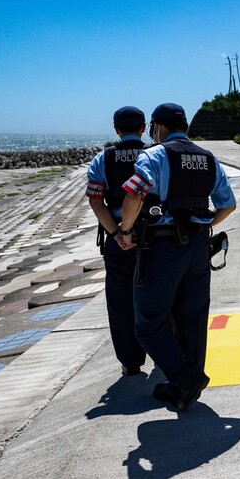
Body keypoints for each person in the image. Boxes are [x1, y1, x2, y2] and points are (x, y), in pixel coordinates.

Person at [118, 102, 236, 412]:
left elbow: (135, 192)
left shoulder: (155, 155)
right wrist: (203, 225)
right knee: (193, 319)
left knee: (148, 322)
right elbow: (228, 205)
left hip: (162, 247)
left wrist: (126, 229)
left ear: (157, 127)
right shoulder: (209, 159)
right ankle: (183, 390)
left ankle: (188, 377)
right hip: (198, 247)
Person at [84, 105, 149, 377]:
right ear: (144, 127)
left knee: (121, 300)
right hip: (155, 234)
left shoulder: (104, 158)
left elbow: (96, 201)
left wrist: (116, 233)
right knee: (162, 293)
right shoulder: (155, 154)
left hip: (118, 237)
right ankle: (165, 352)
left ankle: (131, 362)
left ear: (116, 130)